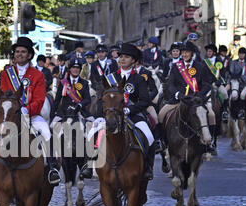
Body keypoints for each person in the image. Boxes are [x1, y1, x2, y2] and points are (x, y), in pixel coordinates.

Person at [0, 36, 61, 188]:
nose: (20, 54)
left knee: (46, 132)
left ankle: (52, 169)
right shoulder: (6, 74)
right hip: (11, 116)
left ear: (29, 55)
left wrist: (27, 109)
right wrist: (11, 110)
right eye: (17, 51)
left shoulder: (38, 75)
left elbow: (39, 99)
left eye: (23, 51)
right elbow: (4, 96)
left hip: (31, 115)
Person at [98, 43, 155, 180]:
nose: (122, 59)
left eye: (127, 57)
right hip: (111, 115)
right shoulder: (110, 78)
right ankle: (90, 165)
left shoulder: (139, 79)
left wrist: (130, 109)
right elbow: (102, 98)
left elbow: (145, 100)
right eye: (121, 56)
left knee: (149, 136)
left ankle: (147, 167)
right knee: (94, 133)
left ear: (134, 61)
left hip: (133, 115)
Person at [157, 41, 215, 152]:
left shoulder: (201, 66)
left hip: (196, 100)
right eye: (183, 52)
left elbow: (207, 83)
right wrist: (177, 94)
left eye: (187, 52)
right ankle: (163, 141)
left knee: (211, 115)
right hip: (180, 99)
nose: (184, 55)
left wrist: (200, 95)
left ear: (192, 53)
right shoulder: (176, 66)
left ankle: (209, 142)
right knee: (161, 114)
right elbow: (171, 83)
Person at [51, 58, 94, 179]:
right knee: (51, 128)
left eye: (77, 68)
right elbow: (58, 99)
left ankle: (89, 162)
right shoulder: (63, 82)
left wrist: (80, 105)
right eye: (73, 68)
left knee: (93, 127)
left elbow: (87, 99)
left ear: (80, 70)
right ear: (70, 69)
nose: (75, 70)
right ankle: (53, 162)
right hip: (64, 113)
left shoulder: (84, 83)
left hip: (80, 112)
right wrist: (54, 113)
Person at [202, 44, 229, 121]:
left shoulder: (219, 61)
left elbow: (222, 74)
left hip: (217, 83)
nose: (208, 53)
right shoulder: (204, 62)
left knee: (225, 93)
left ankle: (224, 111)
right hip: (206, 84)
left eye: (210, 51)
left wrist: (218, 82)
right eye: (207, 51)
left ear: (214, 52)